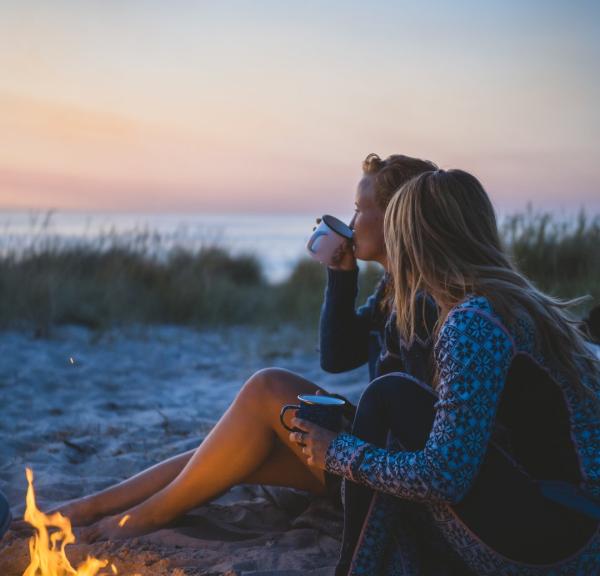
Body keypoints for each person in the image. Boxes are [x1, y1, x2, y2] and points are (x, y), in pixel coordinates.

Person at [12, 154, 437, 544]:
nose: (350, 220)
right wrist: (341, 275)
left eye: (360, 210)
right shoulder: (394, 287)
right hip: (370, 452)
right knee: (225, 453)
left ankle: (139, 519)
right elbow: (338, 357)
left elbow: (425, 431)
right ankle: (89, 508)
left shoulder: (429, 299)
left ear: (397, 217)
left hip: (389, 474)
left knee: (267, 387)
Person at [292, 169, 600, 575]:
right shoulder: (507, 301)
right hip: (574, 520)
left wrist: (336, 452)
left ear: (413, 239)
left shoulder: (474, 321)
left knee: (389, 397)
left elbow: (444, 477)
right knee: (396, 413)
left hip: (558, 544)